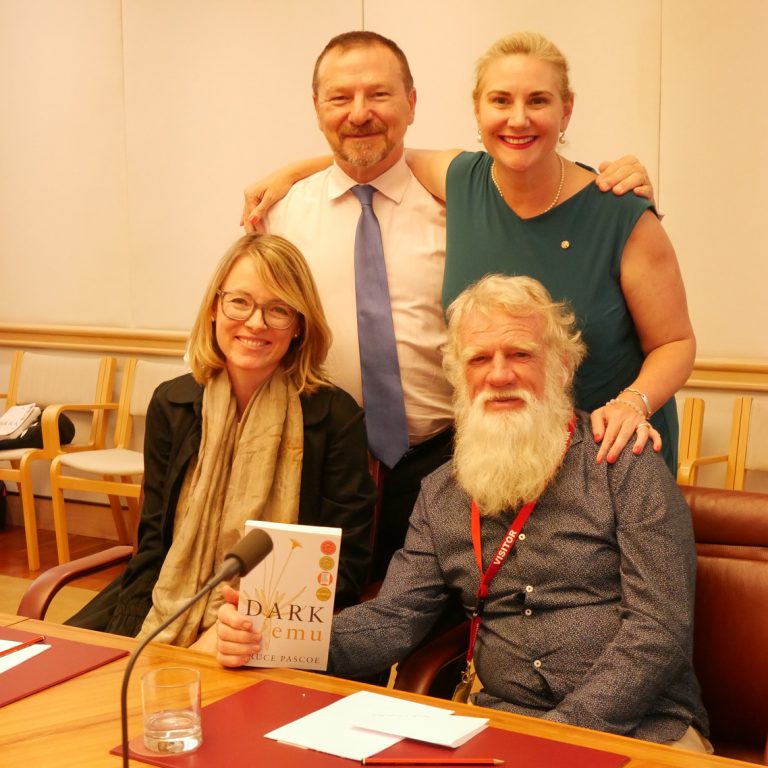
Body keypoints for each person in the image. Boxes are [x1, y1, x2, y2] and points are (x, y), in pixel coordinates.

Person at [212, 274, 710, 751]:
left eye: (520, 354)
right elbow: (396, 617)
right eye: (479, 359)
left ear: (560, 367)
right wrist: (277, 639)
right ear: (458, 376)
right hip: (498, 727)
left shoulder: (622, 463)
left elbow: (658, 629)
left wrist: (561, 735)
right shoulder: (441, 492)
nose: (499, 374)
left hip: (641, 729)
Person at [241, 30, 653, 579]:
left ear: (412, 103)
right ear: (316, 107)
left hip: (448, 461)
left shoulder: (461, 199)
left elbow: (535, 187)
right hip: (319, 457)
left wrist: (627, 187)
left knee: (436, 621)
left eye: (380, 96)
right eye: (340, 98)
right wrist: (293, 171)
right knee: (318, 624)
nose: (360, 113)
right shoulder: (281, 216)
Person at [403, 32, 695, 473]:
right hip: (505, 458)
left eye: (538, 101)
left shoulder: (621, 212)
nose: (518, 119)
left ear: (566, 110)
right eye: (500, 101)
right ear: (478, 110)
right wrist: (290, 175)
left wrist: (631, 404)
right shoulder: (462, 179)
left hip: (610, 459)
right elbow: (378, 156)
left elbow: (676, 343)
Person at [67, 233, 376, 645]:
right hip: (165, 602)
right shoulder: (172, 403)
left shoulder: (335, 417)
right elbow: (153, 546)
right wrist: (133, 633)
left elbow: (345, 564)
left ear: (299, 325)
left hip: (274, 624)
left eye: (278, 309)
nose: (255, 323)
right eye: (240, 302)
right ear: (214, 307)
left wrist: (240, 623)